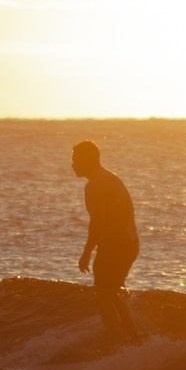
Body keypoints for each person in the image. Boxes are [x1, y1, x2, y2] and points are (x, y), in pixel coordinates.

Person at [71, 137, 143, 344]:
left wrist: (86, 254)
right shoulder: (111, 178)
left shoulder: (95, 185)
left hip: (115, 246)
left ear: (87, 160)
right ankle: (135, 338)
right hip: (130, 244)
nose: (72, 164)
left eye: (76, 159)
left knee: (103, 296)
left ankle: (115, 344)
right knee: (111, 293)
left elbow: (98, 223)